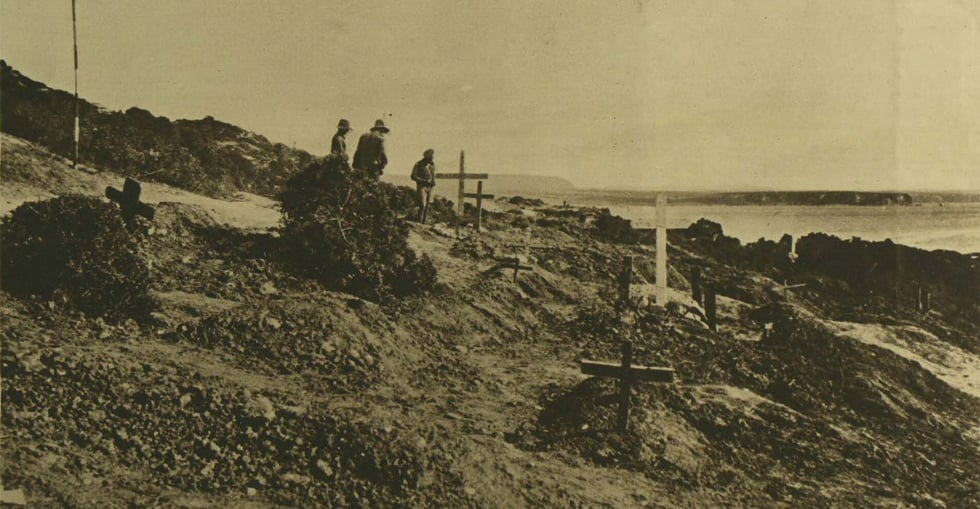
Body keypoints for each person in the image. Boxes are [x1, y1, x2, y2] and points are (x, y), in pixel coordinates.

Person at [411, 149, 436, 223]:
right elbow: (413, 176)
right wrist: (424, 181)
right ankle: (419, 221)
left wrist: (433, 181)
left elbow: (433, 174)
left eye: (432, 157)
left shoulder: (432, 165)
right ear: (426, 157)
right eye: (430, 157)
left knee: (427, 206)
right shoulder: (418, 164)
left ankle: (423, 223)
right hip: (421, 186)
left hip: (430, 187)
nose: (432, 159)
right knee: (422, 205)